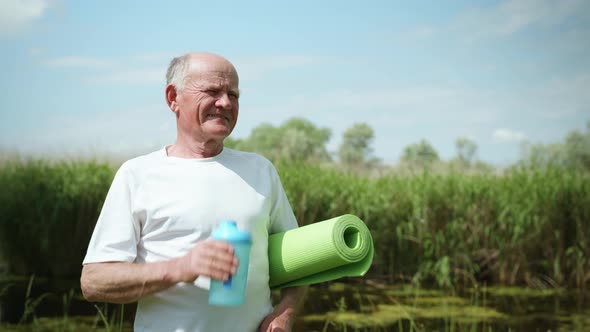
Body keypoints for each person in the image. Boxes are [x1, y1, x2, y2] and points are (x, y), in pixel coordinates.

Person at [80, 52, 307, 332]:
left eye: (233, 95)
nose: (225, 102)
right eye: (212, 91)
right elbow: (94, 281)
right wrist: (181, 268)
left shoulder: (261, 170)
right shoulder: (136, 175)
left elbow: (301, 267)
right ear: (173, 97)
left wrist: (283, 315)